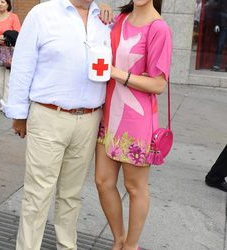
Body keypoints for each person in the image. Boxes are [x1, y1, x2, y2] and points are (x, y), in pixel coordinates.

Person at [3, 0, 111, 249]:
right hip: (49, 117)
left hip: (89, 119)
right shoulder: (43, 14)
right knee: (38, 194)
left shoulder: (103, 20)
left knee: (71, 195)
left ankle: (67, 246)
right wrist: (19, 114)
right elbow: (22, 65)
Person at [95, 0, 172, 249]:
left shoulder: (159, 28)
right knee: (103, 181)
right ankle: (119, 239)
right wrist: (100, 6)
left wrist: (117, 73)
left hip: (137, 118)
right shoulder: (120, 20)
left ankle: (131, 245)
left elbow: (158, 85)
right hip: (109, 113)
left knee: (135, 186)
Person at [211, 0, 227, 71]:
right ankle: (216, 65)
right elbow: (218, 11)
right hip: (223, 27)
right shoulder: (222, 1)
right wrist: (217, 24)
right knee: (220, 45)